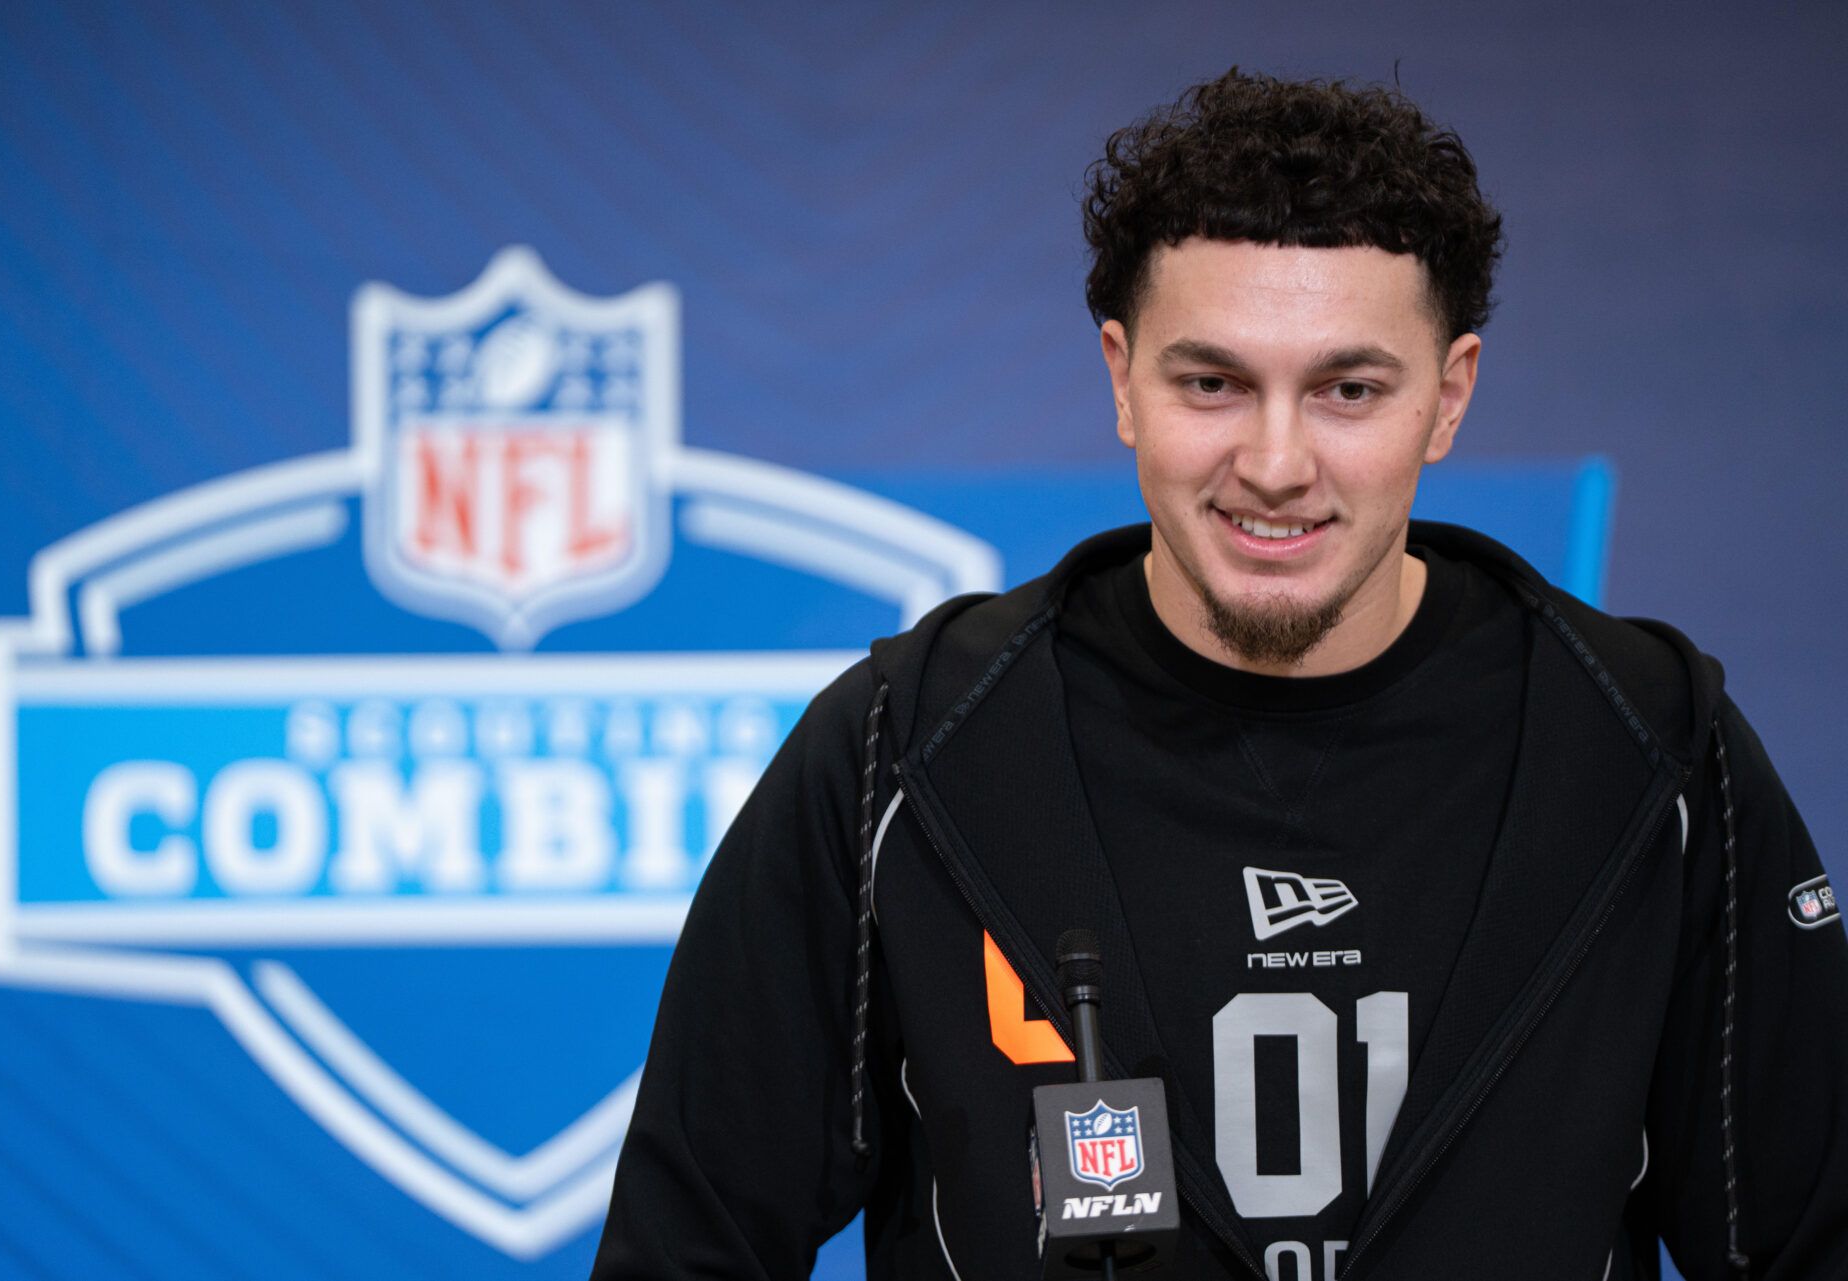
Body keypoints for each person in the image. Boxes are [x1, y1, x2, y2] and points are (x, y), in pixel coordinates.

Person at [591, 70, 1848, 1280]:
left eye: (1350, 388)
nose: (1277, 461)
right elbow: (686, 1247)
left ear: (1450, 397)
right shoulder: (899, 756)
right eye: (1213, 383)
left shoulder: (1649, 750)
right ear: (1121, 376)